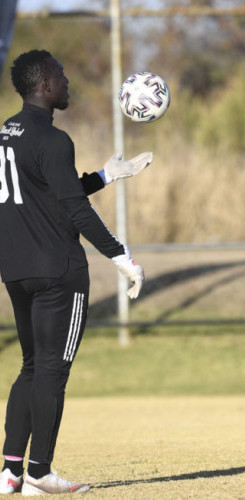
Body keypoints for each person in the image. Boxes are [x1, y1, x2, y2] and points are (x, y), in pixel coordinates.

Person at [0, 49, 153, 495]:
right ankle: (40, 472)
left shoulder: (7, 134)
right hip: (58, 271)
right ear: (45, 85)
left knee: (30, 366)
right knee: (52, 369)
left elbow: (48, 190)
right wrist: (123, 257)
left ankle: (10, 473)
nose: (67, 82)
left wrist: (106, 175)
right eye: (62, 76)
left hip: (16, 270)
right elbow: (74, 211)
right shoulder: (54, 139)